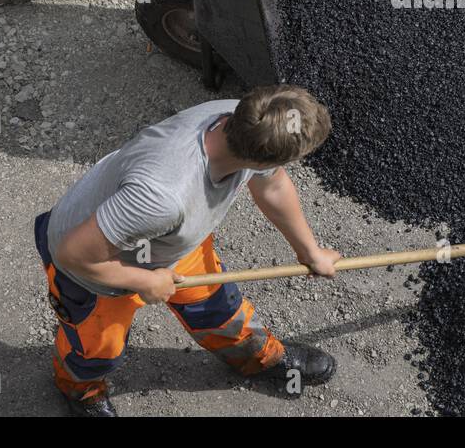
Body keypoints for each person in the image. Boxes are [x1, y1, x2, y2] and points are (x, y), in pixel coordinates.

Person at [33, 85, 341, 416]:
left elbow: (274, 185)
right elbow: (72, 254)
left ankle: (255, 357)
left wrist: (310, 252)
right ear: (259, 157)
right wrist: (144, 281)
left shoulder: (250, 119)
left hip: (169, 242)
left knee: (220, 310)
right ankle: (80, 389)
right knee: (97, 349)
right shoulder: (163, 196)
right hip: (94, 267)